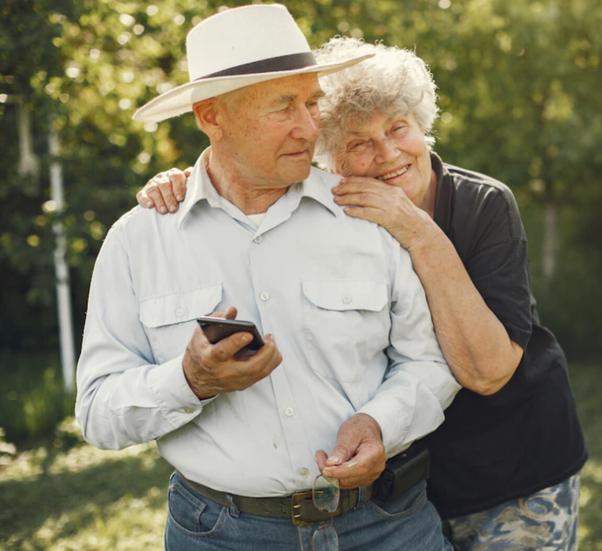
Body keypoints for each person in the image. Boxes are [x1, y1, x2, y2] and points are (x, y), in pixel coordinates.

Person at [140, 38, 587, 550]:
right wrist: (190, 182)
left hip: (514, 471)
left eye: (398, 128)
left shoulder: (482, 205)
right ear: (328, 159)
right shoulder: (335, 213)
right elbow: (244, 178)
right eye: (359, 143)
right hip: (401, 490)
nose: (388, 154)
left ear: (422, 125)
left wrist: (417, 230)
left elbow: (489, 372)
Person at [76, 6, 461, 551]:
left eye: (311, 103)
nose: (310, 127)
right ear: (212, 116)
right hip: (220, 535)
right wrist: (190, 380)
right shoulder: (138, 241)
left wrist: (381, 423)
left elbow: (429, 361)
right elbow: (97, 413)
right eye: (283, 107)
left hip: (387, 525)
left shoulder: (369, 214)